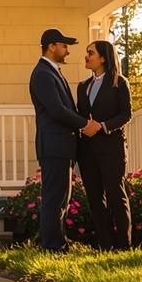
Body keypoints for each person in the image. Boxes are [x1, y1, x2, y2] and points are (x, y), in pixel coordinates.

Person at [28, 28, 88, 251]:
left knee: (62, 198)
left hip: (62, 145)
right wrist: (85, 124)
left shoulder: (52, 72)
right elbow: (56, 109)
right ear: (51, 46)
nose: (67, 51)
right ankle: (52, 245)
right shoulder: (42, 74)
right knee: (54, 198)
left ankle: (58, 240)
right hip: (54, 145)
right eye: (64, 46)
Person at [76, 40, 133, 249]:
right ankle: (105, 245)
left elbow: (126, 115)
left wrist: (102, 126)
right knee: (94, 198)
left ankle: (124, 245)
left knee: (116, 195)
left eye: (90, 53)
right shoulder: (83, 86)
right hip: (87, 151)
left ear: (102, 58)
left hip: (112, 149)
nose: (86, 56)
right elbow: (81, 115)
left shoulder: (119, 83)